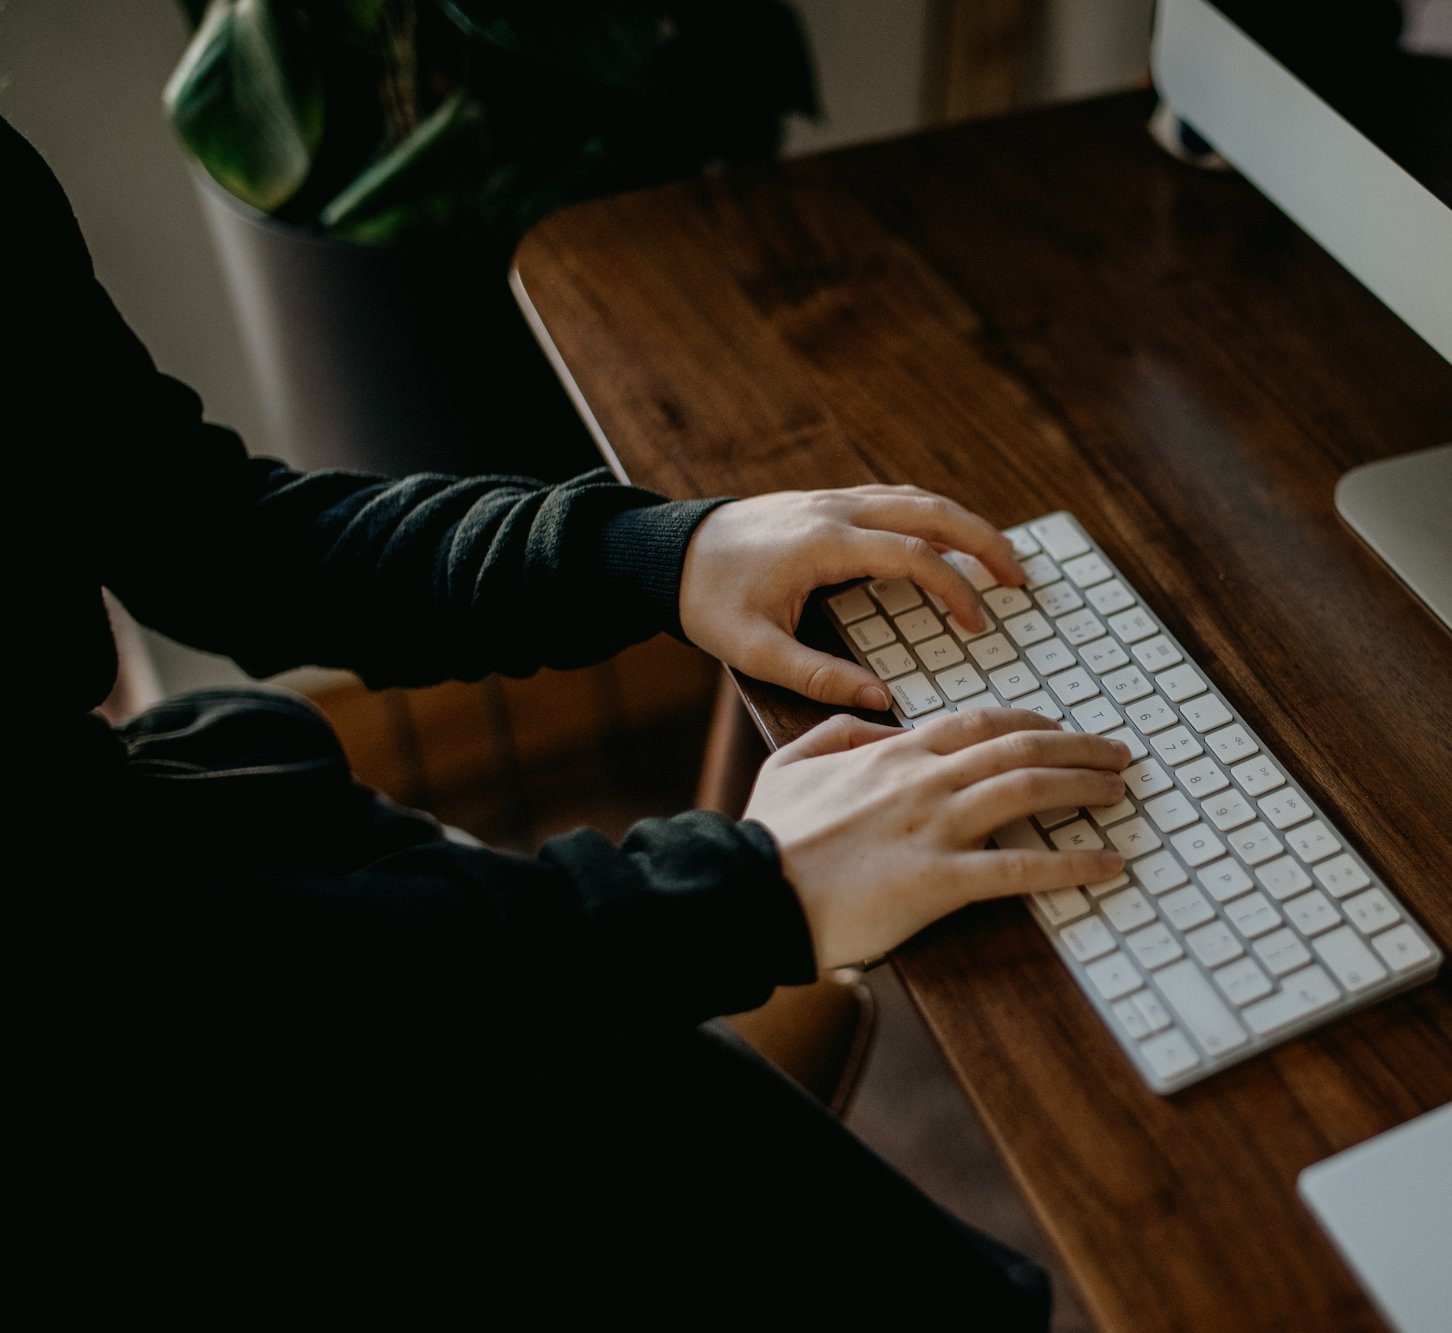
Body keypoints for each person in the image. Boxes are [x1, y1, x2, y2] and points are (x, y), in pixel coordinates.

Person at [8, 113, 1128, 1324]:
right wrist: (743, 888)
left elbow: (214, 537)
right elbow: (167, 1015)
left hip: (208, 893)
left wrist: (655, 553)